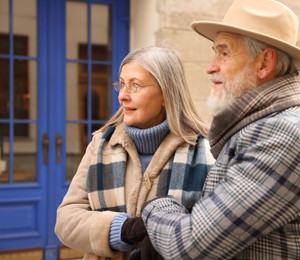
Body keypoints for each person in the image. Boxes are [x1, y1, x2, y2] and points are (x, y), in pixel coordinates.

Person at [141, 0, 300, 259]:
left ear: (264, 63)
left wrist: (154, 206)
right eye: (214, 52)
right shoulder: (288, 123)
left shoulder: (280, 135)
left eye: (224, 53)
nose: (210, 66)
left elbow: (189, 246)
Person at [55, 46, 215, 259]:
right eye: (121, 84)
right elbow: (66, 220)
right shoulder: (101, 144)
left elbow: (214, 230)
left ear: (167, 94)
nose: (122, 96)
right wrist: (124, 229)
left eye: (135, 86)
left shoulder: (207, 150)